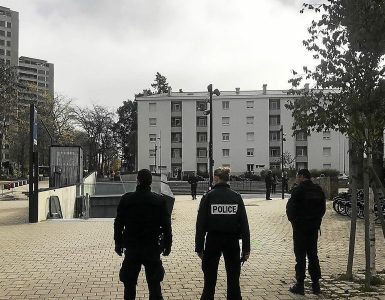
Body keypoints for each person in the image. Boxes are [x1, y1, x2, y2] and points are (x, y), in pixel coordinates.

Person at [114, 169, 172, 300]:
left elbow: (118, 224)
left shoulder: (127, 199)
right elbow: (167, 226)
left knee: (129, 285)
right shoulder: (159, 201)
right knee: (155, 285)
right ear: (151, 182)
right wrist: (168, 245)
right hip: (152, 247)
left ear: (137, 181)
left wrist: (118, 244)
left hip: (132, 247)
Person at [195, 167, 250, 300]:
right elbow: (244, 224)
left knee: (209, 279)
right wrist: (246, 248)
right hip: (232, 240)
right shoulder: (236, 197)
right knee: (233, 278)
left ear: (216, 178)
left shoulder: (208, 197)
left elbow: (200, 224)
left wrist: (199, 247)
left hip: (213, 240)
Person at [286, 169, 326, 295]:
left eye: (297, 176)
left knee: (300, 257)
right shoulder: (318, 190)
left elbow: (290, 209)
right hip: (313, 228)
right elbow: (322, 209)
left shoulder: (298, 190)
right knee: (313, 255)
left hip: (300, 229)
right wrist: (316, 221)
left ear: (302, 176)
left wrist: (294, 222)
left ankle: (300, 285)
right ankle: (315, 285)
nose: (297, 178)